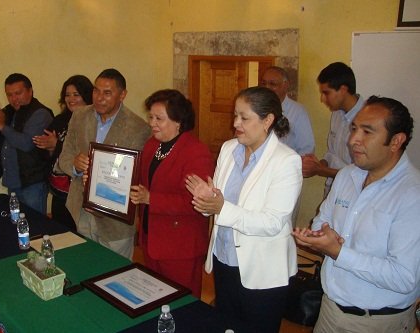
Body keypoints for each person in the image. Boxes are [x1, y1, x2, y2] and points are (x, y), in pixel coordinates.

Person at [293, 96, 420, 333]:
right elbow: (322, 222)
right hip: (330, 310)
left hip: (376, 321)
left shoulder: (412, 194)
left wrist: (338, 251)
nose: (353, 140)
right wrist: (317, 239)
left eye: (367, 132)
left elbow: (404, 277)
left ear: (396, 141)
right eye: (353, 129)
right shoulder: (347, 176)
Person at [186, 86, 303, 332]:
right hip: (224, 258)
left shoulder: (286, 161)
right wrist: (206, 201)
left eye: (244, 118)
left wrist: (220, 207)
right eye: (235, 115)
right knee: (227, 325)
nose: (235, 123)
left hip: (262, 269)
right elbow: (217, 203)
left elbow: (272, 222)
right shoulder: (229, 149)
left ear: (267, 120)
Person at [129, 89, 214, 298]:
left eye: (159, 118)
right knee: (154, 296)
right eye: (151, 117)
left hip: (180, 245)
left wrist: (151, 199)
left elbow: (196, 203)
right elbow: (140, 183)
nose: (152, 123)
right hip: (152, 239)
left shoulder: (195, 152)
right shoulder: (152, 145)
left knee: (181, 302)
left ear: (178, 121)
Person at [58, 68, 151, 259]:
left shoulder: (138, 128)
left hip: (115, 221)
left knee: (116, 275)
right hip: (81, 212)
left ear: (122, 95)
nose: (99, 98)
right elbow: (64, 158)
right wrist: (75, 165)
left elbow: (135, 176)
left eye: (107, 93)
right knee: (86, 267)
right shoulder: (79, 116)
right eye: (96, 90)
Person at [0, 73, 53, 214]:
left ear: (30, 91)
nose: (13, 99)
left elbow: (26, 143)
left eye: (18, 93)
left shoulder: (40, 113)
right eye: (9, 95)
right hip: (13, 182)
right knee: (17, 225)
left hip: (33, 183)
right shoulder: (7, 112)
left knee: (35, 228)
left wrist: (2, 126)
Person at [33, 75, 94, 231]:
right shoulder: (60, 120)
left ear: (86, 95)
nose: (70, 99)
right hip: (59, 191)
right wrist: (50, 148)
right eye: (67, 95)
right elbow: (43, 154)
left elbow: (88, 153)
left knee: (80, 234)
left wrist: (57, 145)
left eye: (76, 94)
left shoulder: (93, 121)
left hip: (79, 192)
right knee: (60, 233)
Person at [302, 62, 366, 197]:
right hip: (332, 188)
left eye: (326, 93)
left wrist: (320, 170)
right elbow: (332, 153)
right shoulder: (336, 113)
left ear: (343, 90)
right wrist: (317, 164)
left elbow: (361, 173)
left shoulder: (367, 117)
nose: (322, 99)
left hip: (353, 193)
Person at [260, 66, 315, 155]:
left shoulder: (298, 112)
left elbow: (307, 148)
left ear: (285, 85)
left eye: (272, 84)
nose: (267, 88)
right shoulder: (256, 108)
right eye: (263, 83)